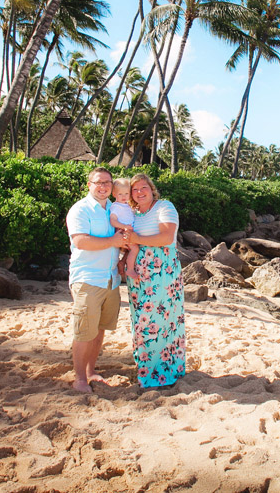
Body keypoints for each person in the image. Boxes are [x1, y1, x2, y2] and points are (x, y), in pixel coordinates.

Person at [65, 167, 126, 393]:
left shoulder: (113, 208)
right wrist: (113, 241)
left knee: (99, 329)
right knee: (84, 331)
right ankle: (80, 378)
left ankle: (91, 371)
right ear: (89, 185)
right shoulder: (80, 210)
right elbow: (81, 241)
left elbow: (123, 236)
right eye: (98, 182)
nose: (103, 187)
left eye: (107, 183)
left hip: (110, 279)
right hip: (88, 278)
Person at [125, 173, 186, 387]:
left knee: (160, 320)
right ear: (131, 194)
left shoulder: (164, 207)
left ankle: (162, 371)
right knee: (140, 319)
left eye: (144, 188)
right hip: (139, 273)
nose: (140, 192)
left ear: (152, 189)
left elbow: (167, 237)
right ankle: (145, 365)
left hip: (163, 270)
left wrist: (137, 239)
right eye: (135, 189)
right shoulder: (132, 213)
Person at [109, 178, 139, 281]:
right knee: (135, 249)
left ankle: (122, 263)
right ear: (114, 194)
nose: (123, 196)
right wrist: (124, 227)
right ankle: (129, 269)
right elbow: (113, 221)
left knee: (129, 250)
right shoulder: (116, 207)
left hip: (128, 231)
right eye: (120, 194)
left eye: (126, 193)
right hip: (123, 232)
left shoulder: (126, 205)